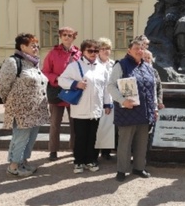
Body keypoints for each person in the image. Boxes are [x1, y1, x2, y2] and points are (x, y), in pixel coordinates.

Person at [0, 34, 49, 177]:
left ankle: (23, 162)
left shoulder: (33, 63)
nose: (36, 48)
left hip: (36, 110)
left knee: (30, 138)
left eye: (37, 46)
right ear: (22, 46)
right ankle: (13, 166)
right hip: (21, 110)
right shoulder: (13, 62)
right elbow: (2, 85)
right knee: (20, 137)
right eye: (32, 45)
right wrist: (10, 100)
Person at [108, 38, 158, 181]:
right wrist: (122, 100)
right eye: (136, 48)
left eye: (141, 48)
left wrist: (154, 108)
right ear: (129, 50)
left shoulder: (148, 67)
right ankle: (122, 170)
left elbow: (152, 89)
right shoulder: (121, 65)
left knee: (142, 142)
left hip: (144, 112)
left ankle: (138, 168)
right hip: (127, 112)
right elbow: (110, 86)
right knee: (125, 143)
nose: (139, 50)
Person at [58, 39, 112, 173]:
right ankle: (78, 161)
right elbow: (61, 80)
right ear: (83, 51)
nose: (93, 53)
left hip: (96, 108)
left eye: (96, 50)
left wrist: (107, 103)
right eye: (90, 50)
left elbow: (106, 88)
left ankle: (91, 160)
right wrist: (75, 84)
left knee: (93, 136)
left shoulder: (101, 68)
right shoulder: (74, 66)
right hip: (80, 108)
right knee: (81, 136)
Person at [41, 27, 81, 161]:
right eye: (64, 35)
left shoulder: (78, 54)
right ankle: (53, 150)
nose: (67, 37)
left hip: (73, 92)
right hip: (57, 91)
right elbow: (45, 71)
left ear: (74, 37)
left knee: (75, 123)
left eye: (70, 35)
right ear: (60, 36)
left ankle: (75, 148)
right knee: (55, 123)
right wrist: (57, 79)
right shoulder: (52, 53)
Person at [94, 38, 116, 160]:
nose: (105, 51)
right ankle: (95, 153)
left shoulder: (113, 64)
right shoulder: (94, 64)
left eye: (107, 48)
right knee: (97, 128)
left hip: (111, 100)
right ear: (98, 51)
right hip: (97, 100)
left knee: (108, 127)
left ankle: (106, 152)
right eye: (102, 48)